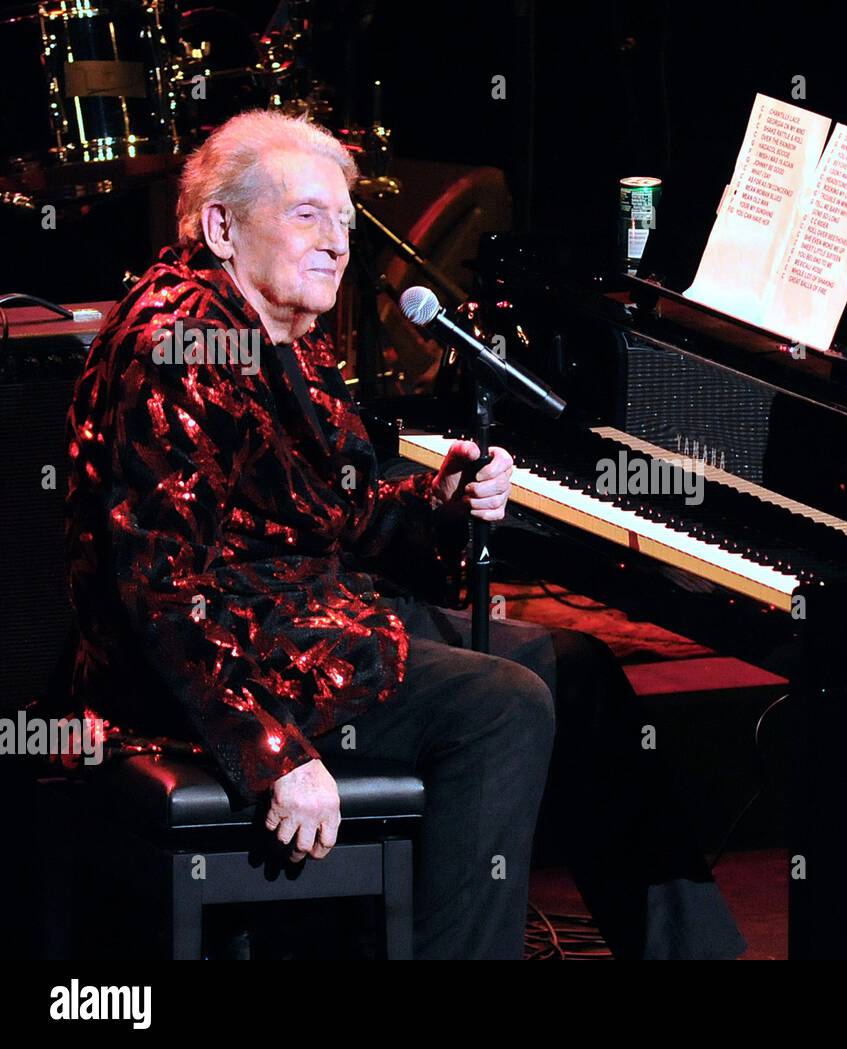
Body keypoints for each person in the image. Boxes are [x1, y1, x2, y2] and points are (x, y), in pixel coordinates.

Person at [64, 109, 745, 960]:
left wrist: (443, 502)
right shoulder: (178, 345)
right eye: (307, 214)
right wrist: (268, 747)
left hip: (316, 627)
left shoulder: (286, 340)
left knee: (578, 671)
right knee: (502, 702)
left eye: (344, 220)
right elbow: (158, 590)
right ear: (221, 227)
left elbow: (346, 518)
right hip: (233, 662)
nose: (338, 243)